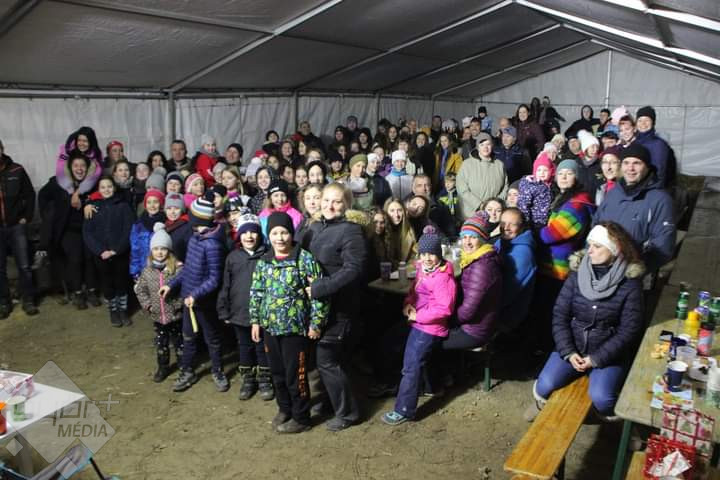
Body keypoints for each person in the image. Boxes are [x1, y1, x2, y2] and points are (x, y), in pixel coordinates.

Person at [526, 223, 645, 421]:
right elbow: (560, 314)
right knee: (545, 385)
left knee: (602, 398)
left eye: (597, 246)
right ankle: (541, 403)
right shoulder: (577, 274)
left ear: (615, 249)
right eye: (589, 245)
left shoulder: (630, 283)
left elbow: (629, 330)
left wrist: (596, 359)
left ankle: (606, 420)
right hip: (574, 345)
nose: (589, 250)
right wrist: (568, 351)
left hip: (607, 352)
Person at [250, 212, 329, 433]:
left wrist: (316, 323)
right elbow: (256, 292)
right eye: (275, 233)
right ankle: (284, 409)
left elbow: (320, 294)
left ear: (291, 233)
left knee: (296, 375)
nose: (280, 238)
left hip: (295, 329)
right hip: (270, 328)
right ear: (269, 236)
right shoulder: (264, 261)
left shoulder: (304, 259)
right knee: (277, 373)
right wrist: (255, 320)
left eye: (284, 232)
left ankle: (301, 417)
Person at [305, 184, 367, 431]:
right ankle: (331, 401)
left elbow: (353, 269)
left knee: (327, 359)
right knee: (322, 360)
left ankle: (348, 413)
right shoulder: (314, 227)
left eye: (337, 201)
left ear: (347, 205)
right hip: (316, 308)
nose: (330, 206)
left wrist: (321, 287)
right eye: (326, 200)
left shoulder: (351, 231)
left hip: (339, 308)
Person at [381, 226, 457, 426]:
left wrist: (418, 315)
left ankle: (404, 410)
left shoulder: (443, 278)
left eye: (431, 254)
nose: (427, 258)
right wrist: (408, 302)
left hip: (429, 327)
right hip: (416, 320)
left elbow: (445, 309)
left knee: (411, 365)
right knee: (391, 342)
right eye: (423, 254)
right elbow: (414, 290)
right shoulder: (423, 269)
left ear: (439, 254)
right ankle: (431, 387)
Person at [161, 196, 227, 393]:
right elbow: (188, 269)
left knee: (212, 338)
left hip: (203, 303)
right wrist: (171, 285)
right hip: (189, 301)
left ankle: (218, 371)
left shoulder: (212, 245)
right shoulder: (195, 238)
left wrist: (196, 295)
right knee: (188, 337)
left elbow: (214, 279)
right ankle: (187, 371)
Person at [533, 159, 595, 352]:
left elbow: (553, 233)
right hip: (553, 266)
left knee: (552, 311)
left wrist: (532, 232)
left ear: (577, 177)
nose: (564, 177)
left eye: (569, 173)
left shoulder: (577, 204)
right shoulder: (565, 198)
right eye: (560, 173)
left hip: (559, 269)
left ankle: (550, 349)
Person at [217, 212, 274, 401]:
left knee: (262, 346)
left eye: (253, 232)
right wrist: (223, 308)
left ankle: (265, 379)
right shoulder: (233, 257)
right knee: (244, 346)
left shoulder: (268, 256)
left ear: (259, 234)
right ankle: (248, 379)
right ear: (239, 235)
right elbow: (226, 285)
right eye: (245, 232)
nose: (249, 236)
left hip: (263, 313)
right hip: (240, 312)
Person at [593, 143, 675, 274]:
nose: (630, 168)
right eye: (626, 163)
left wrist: (634, 270)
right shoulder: (614, 193)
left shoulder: (659, 200)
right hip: (600, 267)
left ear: (647, 167)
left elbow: (663, 246)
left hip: (630, 273)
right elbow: (596, 225)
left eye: (637, 163)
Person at [37, 151, 101, 310]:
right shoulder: (59, 182)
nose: (79, 169)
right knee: (75, 259)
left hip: (88, 229)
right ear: (70, 168)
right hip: (68, 230)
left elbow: (101, 200)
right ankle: (77, 292)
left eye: (82, 166)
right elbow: (43, 195)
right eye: (76, 166)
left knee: (89, 258)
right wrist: (49, 215)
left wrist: (91, 205)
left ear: (87, 168)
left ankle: (91, 291)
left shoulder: (92, 184)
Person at [442, 212, 501, 350]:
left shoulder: (482, 267)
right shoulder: (475, 258)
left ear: (482, 239)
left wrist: (445, 320)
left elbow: (468, 311)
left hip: (473, 331)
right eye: (464, 237)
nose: (467, 242)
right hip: (473, 324)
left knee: (426, 340)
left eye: (473, 237)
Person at [82, 176, 134, 327]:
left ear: (114, 188)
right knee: (107, 283)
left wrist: (117, 250)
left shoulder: (123, 206)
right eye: (103, 187)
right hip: (101, 255)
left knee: (121, 282)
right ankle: (113, 311)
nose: (106, 189)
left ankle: (123, 310)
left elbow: (128, 230)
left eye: (109, 186)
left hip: (120, 253)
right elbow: (88, 233)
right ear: (98, 190)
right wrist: (100, 251)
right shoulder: (93, 208)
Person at [135, 224, 184, 382]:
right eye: (156, 249)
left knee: (179, 342)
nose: (160, 252)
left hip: (175, 314)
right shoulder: (147, 271)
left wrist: (178, 304)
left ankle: (184, 366)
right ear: (151, 251)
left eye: (163, 248)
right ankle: (163, 367)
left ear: (169, 250)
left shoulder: (177, 269)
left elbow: (185, 288)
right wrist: (148, 305)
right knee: (161, 344)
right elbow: (140, 290)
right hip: (157, 316)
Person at [0, 140, 37, 317]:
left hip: (16, 226)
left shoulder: (17, 169)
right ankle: (4, 303)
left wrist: (26, 217)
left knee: (24, 265)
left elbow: (30, 194)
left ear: (2, 150)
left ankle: (28, 300)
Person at [495, 208, 536, 333]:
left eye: (512, 224)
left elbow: (508, 292)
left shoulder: (523, 252)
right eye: (503, 223)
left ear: (522, 226)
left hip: (506, 316)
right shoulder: (502, 241)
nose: (506, 228)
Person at [456, 133, 508, 220]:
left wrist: (495, 205)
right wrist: (479, 205)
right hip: (471, 214)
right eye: (482, 145)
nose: (485, 147)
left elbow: (505, 186)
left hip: (494, 214)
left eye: (488, 144)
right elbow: (461, 188)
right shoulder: (467, 164)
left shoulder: (499, 165)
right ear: (477, 147)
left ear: (492, 146)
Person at [634, 106, 675, 188]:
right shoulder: (635, 142)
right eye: (640, 120)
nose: (643, 123)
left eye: (647, 120)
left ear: (653, 123)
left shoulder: (659, 145)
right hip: (635, 186)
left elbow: (658, 173)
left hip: (649, 189)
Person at [130, 190, 166, 282]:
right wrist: (135, 271)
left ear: (161, 204)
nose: (152, 205)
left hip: (162, 271)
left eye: (155, 202)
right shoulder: (138, 225)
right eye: (149, 202)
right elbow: (135, 250)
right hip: (144, 268)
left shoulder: (166, 223)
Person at [410, 174, 456, 240]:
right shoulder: (405, 205)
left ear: (431, 187)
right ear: (413, 188)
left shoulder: (441, 206)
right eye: (419, 185)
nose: (424, 189)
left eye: (427, 185)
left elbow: (451, 233)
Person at [518, 153, 555, 230]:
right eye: (539, 170)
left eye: (545, 170)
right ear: (535, 171)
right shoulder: (531, 185)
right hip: (534, 222)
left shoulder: (549, 185)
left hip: (546, 221)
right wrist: (526, 223)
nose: (542, 173)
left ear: (551, 172)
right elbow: (523, 205)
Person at [384, 198, 417, 267]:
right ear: (386, 212)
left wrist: (406, 267)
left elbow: (414, 255)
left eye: (399, 210)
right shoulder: (381, 230)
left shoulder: (409, 230)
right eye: (392, 211)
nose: (396, 215)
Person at [575, 130, 603, 203]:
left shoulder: (600, 162)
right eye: (592, 147)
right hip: (580, 199)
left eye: (597, 147)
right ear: (586, 148)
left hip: (595, 200)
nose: (595, 149)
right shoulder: (577, 163)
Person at [164, 193, 192, 263]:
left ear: (182, 210)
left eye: (176, 208)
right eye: (169, 208)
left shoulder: (187, 227)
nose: (172, 212)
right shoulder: (166, 225)